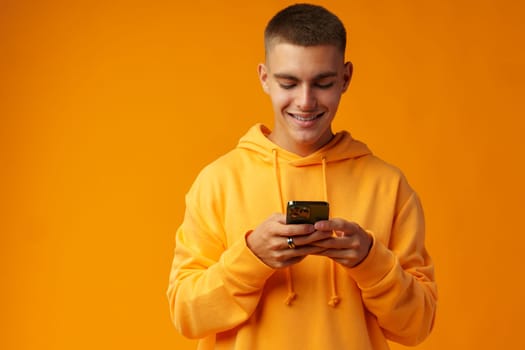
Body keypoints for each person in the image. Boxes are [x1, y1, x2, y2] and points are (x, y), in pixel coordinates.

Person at [167, 3, 437, 349]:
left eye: (323, 83)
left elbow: (417, 326)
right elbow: (187, 315)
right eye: (288, 82)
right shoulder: (217, 182)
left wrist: (370, 260)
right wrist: (251, 257)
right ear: (265, 78)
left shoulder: (388, 186)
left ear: (346, 78)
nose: (306, 101)